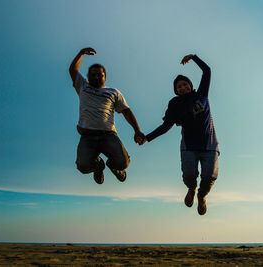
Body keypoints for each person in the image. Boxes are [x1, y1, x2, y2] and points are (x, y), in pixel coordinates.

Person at [141, 54, 219, 215]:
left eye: (184, 84)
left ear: (190, 85)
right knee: (189, 175)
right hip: (189, 146)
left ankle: (202, 196)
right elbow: (166, 126)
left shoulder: (201, 94)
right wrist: (147, 138)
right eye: (179, 87)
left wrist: (194, 57)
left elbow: (207, 71)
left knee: (209, 177)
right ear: (176, 91)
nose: (182, 88)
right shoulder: (175, 104)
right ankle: (191, 188)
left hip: (209, 145)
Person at [69, 47, 145, 184]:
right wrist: (81, 53)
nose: (97, 77)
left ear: (105, 77)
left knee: (123, 163)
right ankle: (98, 166)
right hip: (88, 137)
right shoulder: (83, 86)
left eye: (100, 74)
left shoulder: (113, 92)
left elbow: (126, 111)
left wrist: (137, 130)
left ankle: (115, 168)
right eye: (93, 75)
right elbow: (73, 70)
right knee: (83, 166)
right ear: (88, 76)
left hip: (108, 135)